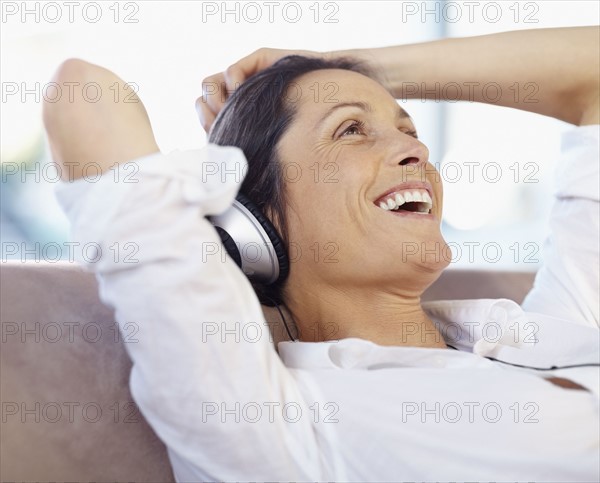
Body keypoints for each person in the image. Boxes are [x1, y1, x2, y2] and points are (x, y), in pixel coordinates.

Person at [44, 27, 599, 481]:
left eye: (406, 129)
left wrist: (349, 64)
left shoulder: (537, 331)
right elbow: (83, 93)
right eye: (351, 131)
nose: (416, 150)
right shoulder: (276, 425)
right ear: (258, 222)